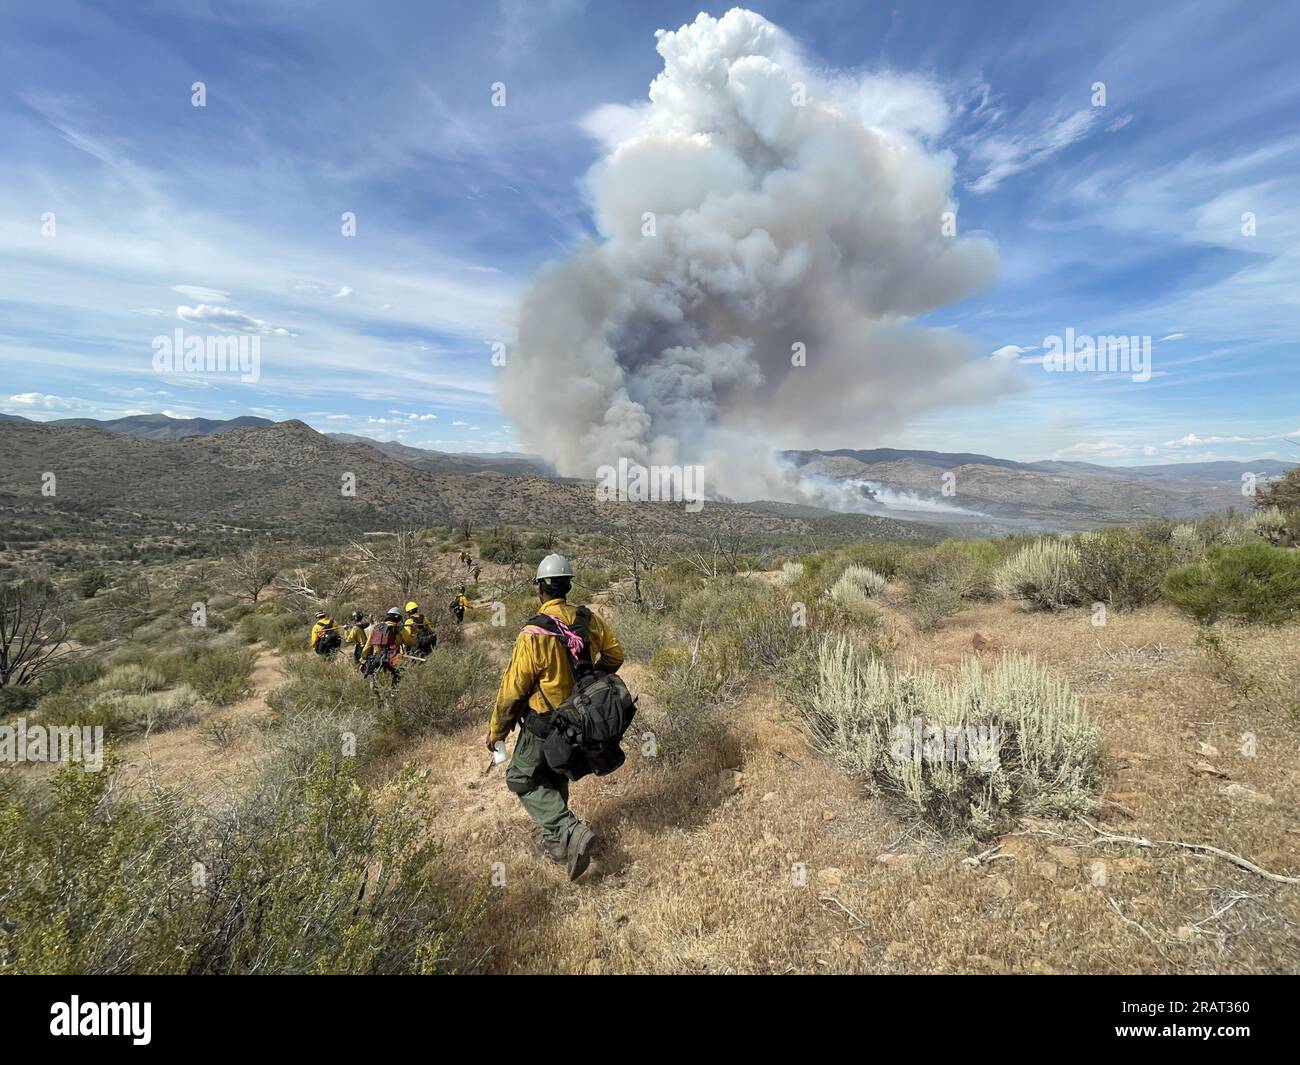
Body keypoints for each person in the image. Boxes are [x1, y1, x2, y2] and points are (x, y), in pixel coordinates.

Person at [486, 553, 624, 880]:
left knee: (521, 777)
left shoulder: (533, 633)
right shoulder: (587, 618)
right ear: (568, 585)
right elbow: (616, 654)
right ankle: (556, 843)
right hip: (580, 720)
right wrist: (590, 685)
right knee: (555, 773)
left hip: (544, 722)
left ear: (540, 590)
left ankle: (569, 830)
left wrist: (497, 733)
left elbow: (512, 692)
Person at [359, 607, 406, 684]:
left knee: (374, 678)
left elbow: (368, 646)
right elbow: (409, 642)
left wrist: (363, 660)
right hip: (392, 659)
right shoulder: (400, 629)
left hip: (376, 659)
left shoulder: (376, 628)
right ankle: (394, 691)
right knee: (399, 675)